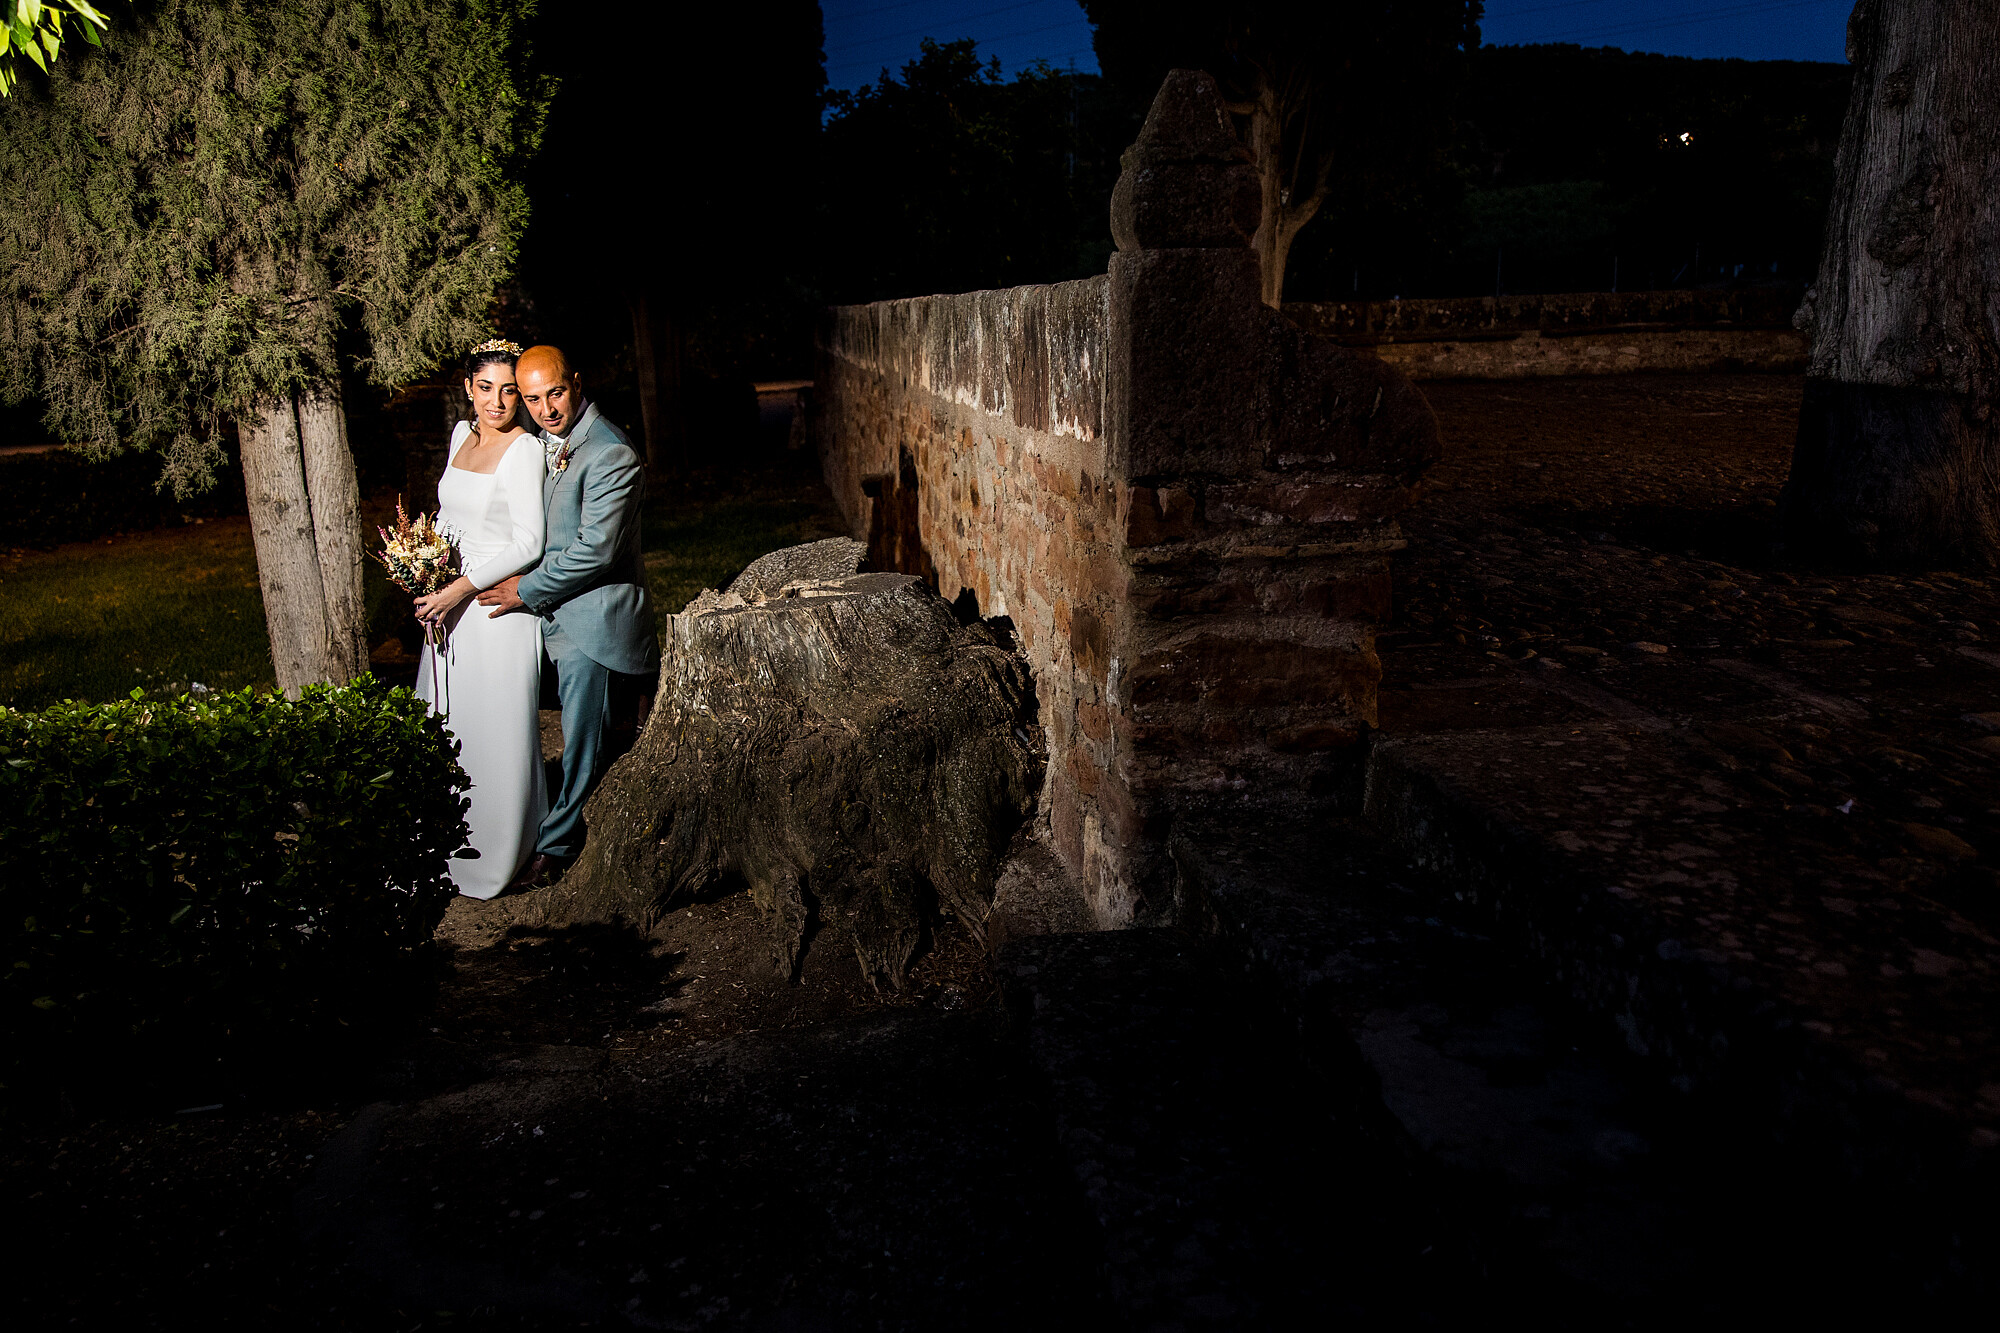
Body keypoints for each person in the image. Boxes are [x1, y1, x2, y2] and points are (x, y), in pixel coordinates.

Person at [477, 345, 658, 887]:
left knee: (582, 741)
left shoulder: (610, 453)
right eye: (531, 398)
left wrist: (525, 591)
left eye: (554, 393)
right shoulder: (550, 444)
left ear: (576, 383)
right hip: (557, 614)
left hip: (595, 622)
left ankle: (555, 848)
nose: (545, 408)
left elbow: (595, 552)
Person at [411, 339, 549, 899]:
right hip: (446, 598)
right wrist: (423, 570)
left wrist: (460, 590)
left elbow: (530, 541)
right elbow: (448, 516)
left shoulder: (524, 450)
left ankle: (501, 847)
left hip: (494, 609)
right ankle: (446, 837)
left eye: (509, 391)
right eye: (486, 388)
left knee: (498, 729)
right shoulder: (458, 436)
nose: (497, 401)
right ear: (467, 388)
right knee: (453, 722)